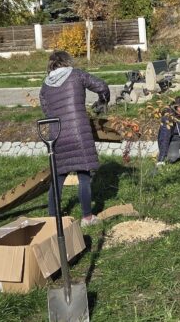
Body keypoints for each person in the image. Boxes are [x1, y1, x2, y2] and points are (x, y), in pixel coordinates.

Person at [39, 50, 111, 227]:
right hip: (78, 131)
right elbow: (102, 86)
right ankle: (87, 217)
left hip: (56, 134)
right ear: (66, 61)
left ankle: (52, 218)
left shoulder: (45, 85)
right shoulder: (77, 75)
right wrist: (102, 102)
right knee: (84, 175)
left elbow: (46, 110)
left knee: (58, 178)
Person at [156, 96, 180, 165]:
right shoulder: (168, 117)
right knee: (172, 157)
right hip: (175, 140)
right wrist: (161, 158)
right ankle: (165, 156)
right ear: (175, 108)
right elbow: (164, 138)